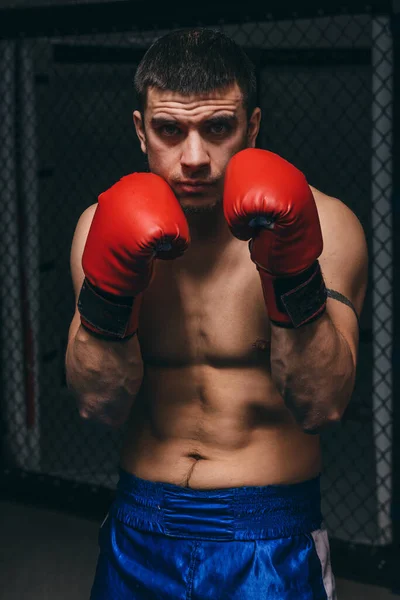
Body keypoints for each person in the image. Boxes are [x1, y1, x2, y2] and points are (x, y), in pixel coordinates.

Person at [65, 27, 368, 600]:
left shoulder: (326, 225)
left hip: (268, 536)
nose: (195, 158)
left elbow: (322, 404)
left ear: (252, 127)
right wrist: (110, 290)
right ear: (140, 131)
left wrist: (293, 270)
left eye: (218, 128)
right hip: (140, 524)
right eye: (170, 131)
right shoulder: (98, 227)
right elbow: (98, 404)